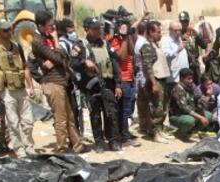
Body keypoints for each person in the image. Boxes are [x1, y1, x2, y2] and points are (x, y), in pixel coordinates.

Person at [32, 10, 84, 154]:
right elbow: (57, 58)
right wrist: (56, 43)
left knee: (70, 117)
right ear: (41, 25)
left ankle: (77, 146)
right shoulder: (38, 40)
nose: (53, 28)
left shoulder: (46, 37)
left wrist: (57, 55)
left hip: (61, 82)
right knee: (61, 119)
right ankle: (61, 150)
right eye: (50, 25)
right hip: (52, 83)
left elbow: (63, 58)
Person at [0, 19, 36, 157]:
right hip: (6, 90)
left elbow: (25, 67)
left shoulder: (17, 47)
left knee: (28, 121)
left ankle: (29, 146)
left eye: (10, 29)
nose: (9, 32)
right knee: (13, 123)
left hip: (21, 88)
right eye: (5, 30)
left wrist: (31, 86)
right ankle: (20, 150)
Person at [72, 16, 121, 152]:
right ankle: (99, 143)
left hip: (108, 84)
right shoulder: (80, 45)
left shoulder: (105, 44)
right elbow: (72, 63)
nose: (98, 31)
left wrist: (117, 84)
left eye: (99, 28)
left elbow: (115, 64)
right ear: (87, 29)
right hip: (91, 87)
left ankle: (113, 141)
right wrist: (84, 62)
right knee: (95, 115)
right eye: (95, 28)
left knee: (111, 114)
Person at [136, 20, 169, 142]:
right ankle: (155, 133)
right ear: (150, 32)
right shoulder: (147, 46)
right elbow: (147, 66)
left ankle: (160, 130)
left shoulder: (156, 44)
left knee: (162, 107)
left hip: (163, 78)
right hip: (156, 80)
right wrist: (154, 83)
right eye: (158, 32)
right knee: (156, 108)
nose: (160, 35)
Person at [109, 16, 136, 146]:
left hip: (130, 78)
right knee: (124, 110)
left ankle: (125, 133)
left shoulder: (125, 39)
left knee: (129, 109)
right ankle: (124, 137)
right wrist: (123, 38)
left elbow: (132, 52)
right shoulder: (114, 41)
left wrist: (127, 36)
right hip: (122, 79)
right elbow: (122, 56)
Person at [57, 18, 84, 139]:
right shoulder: (63, 43)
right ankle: (73, 137)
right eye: (70, 28)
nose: (73, 30)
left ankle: (78, 135)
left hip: (76, 79)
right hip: (69, 80)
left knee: (77, 109)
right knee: (72, 110)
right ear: (64, 30)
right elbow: (66, 63)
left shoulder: (74, 42)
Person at [170, 67, 212, 139]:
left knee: (208, 115)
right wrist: (201, 117)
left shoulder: (192, 86)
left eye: (191, 78)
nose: (191, 81)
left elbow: (200, 98)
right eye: (188, 79)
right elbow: (185, 109)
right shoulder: (177, 89)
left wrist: (208, 96)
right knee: (190, 121)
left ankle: (190, 132)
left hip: (191, 113)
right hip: (178, 115)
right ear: (182, 79)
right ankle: (180, 133)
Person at [163, 21, 189, 98]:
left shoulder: (180, 40)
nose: (178, 32)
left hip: (183, 77)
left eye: (179, 30)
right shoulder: (167, 41)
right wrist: (177, 50)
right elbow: (166, 55)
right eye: (175, 30)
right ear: (170, 30)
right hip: (174, 78)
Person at [178, 11, 205, 81]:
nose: (184, 24)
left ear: (188, 22)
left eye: (185, 21)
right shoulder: (177, 34)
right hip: (182, 64)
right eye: (182, 22)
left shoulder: (193, 32)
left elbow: (204, 45)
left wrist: (198, 37)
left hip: (194, 64)